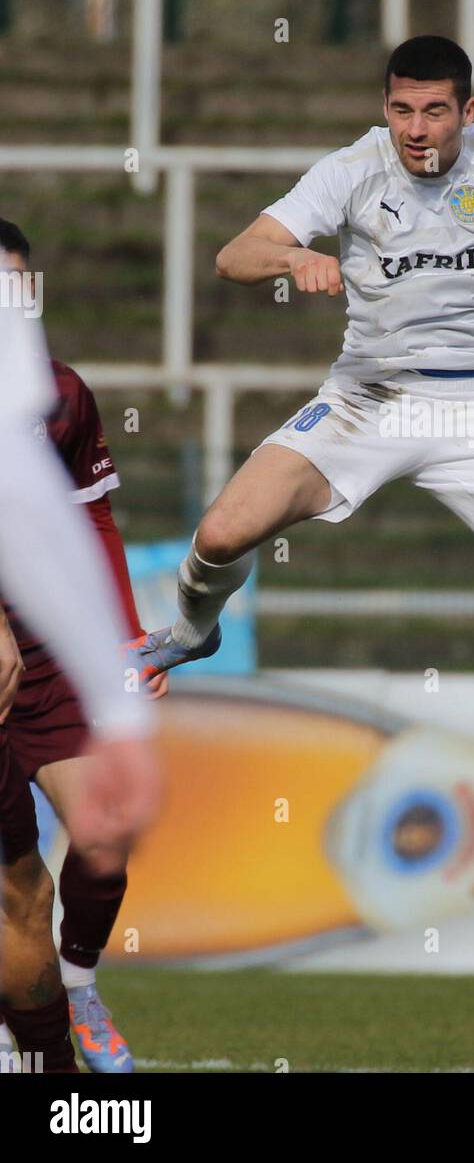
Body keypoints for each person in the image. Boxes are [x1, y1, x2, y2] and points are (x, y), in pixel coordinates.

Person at [127, 33, 474, 885]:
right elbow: (233, 254)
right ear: (384, 108)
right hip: (365, 400)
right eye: (401, 109)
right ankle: (188, 633)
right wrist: (296, 257)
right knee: (220, 532)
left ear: (469, 111)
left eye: (435, 111)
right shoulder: (353, 169)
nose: (416, 129)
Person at [0, 237, 160, 1073]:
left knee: (109, 828)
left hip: (48, 659)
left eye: (15, 285)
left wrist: (121, 645)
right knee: (18, 889)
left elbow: (88, 523)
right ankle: (39, 1053)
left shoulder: (57, 394)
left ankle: (82, 983)